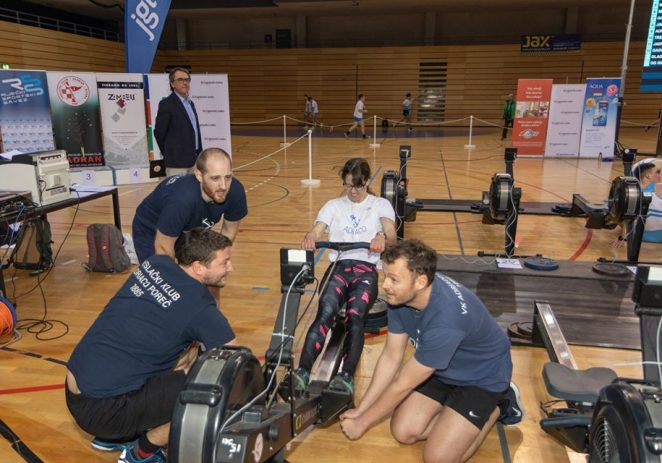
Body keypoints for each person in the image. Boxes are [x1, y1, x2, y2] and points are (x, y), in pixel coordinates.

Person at [339, 239, 524, 463]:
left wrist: (363, 423)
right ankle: (456, 417)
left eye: (393, 279)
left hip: (482, 378)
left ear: (420, 281)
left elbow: (403, 384)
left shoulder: (447, 319)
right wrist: (362, 410)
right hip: (442, 369)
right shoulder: (399, 297)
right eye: (384, 275)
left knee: (438, 458)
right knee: (403, 432)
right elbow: (391, 356)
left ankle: (499, 406)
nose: (385, 285)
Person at [66, 228, 238, 463]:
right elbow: (238, 363)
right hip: (104, 411)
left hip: (75, 388)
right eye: (225, 262)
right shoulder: (199, 308)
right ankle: (142, 451)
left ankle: (117, 436)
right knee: (215, 392)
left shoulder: (156, 264)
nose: (230, 268)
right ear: (198, 267)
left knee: (182, 354)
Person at [289, 157, 396, 395]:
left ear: (367, 181)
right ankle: (303, 372)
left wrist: (383, 238)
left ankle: (346, 375)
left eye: (358, 186)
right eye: (349, 186)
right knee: (324, 313)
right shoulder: (333, 205)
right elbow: (317, 230)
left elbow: (391, 233)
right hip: (339, 266)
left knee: (355, 317)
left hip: (365, 270)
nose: (353, 191)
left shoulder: (380, 205)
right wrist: (310, 238)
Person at [132, 147, 247, 263]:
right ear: (199, 176)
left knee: (203, 270)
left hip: (189, 230)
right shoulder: (181, 201)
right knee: (159, 274)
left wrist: (218, 263)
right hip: (151, 230)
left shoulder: (235, 191)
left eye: (228, 177)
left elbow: (228, 231)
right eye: (215, 178)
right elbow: (163, 248)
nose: (223, 186)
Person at [154, 67, 202, 177]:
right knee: (176, 193)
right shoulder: (166, 104)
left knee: (192, 193)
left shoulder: (191, 104)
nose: (184, 83)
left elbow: (194, 131)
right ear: (172, 84)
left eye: (187, 80)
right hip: (176, 163)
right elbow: (159, 133)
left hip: (194, 160)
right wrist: (170, 153)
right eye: (180, 80)